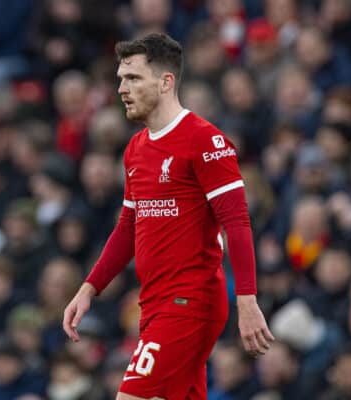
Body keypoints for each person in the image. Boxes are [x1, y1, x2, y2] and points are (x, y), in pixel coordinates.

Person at [63, 33, 274, 400]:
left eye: (132, 79)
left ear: (165, 82)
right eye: (119, 80)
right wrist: (89, 288)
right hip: (154, 303)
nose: (122, 89)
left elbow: (237, 223)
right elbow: (129, 226)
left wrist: (248, 300)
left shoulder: (206, 141)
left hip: (189, 303)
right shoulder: (136, 148)